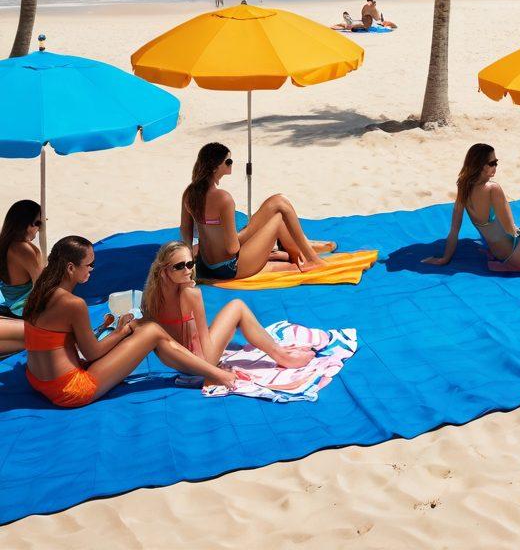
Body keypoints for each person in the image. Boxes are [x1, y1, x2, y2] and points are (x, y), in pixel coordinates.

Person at [22, 236, 236, 408]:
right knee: (152, 331)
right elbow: (92, 353)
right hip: (69, 390)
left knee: (147, 330)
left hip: (37, 380)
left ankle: (203, 368)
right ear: (70, 268)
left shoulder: (39, 293)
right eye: (89, 264)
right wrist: (122, 331)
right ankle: (216, 374)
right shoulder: (73, 304)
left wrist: (122, 330)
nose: (92, 269)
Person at [142, 241, 314, 368]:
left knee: (225, 320)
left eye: (190, 264)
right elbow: (205, 343)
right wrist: (212, 369)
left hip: (177, 363)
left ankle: (279, 352)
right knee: (237, 307)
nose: (188, 270)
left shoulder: (151, 297)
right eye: (180, 266)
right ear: (165, 270)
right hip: (199, 362)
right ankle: (282, 356)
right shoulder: (191, 294)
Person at [181, 143, 334, 283]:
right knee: (278, 218)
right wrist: (251, 232)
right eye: (228, 162)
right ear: (215, 167)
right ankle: (309, 257)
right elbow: (232, 248)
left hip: (206, 265)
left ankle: (300, 253)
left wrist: (192, 260)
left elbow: (185, 230)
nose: (231, 164)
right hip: (229, 268)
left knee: (277, 201)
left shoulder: (189, 194)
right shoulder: (223, 198)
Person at [422, 143, 520, 268]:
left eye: (496, 162)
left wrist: (445, 259)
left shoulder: (463, 186)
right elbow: (511, 230)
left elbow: (454, 230)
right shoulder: (492, 188)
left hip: (502, 254)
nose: (496, 166)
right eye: (492, 163)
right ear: (481, 166)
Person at [0, 199, 44, 317]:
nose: (40, 228)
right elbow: (40, 285)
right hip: (22, 307)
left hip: (12, 301)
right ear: (26, 224)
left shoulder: (6, 241)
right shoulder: (23, 249)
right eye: (38, 223)